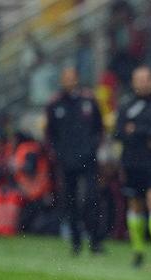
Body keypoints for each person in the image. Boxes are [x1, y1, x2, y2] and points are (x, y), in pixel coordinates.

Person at [115, 66, 151, 268]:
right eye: (139, 79)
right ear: (133, 82)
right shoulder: (125, 105)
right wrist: (145, 134)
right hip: (131, 162)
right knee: (135, 205)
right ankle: (138, 249)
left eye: (146, 79)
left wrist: (136, 130)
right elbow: (118, 133)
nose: (142, 83)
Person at [45, 67, 104, 255]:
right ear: (62, 80)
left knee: (91, 199)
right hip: (67, 161)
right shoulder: (55, 104)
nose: (69, 81)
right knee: (70, 201)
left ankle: (95, 241)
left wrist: (93, 147)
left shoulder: (88, 99)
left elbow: (99, 127)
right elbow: (50, 133)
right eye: (66, 78)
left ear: (77, 79)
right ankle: (76, 242)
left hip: (88, 159)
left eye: (72, 78)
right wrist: (57, 153)